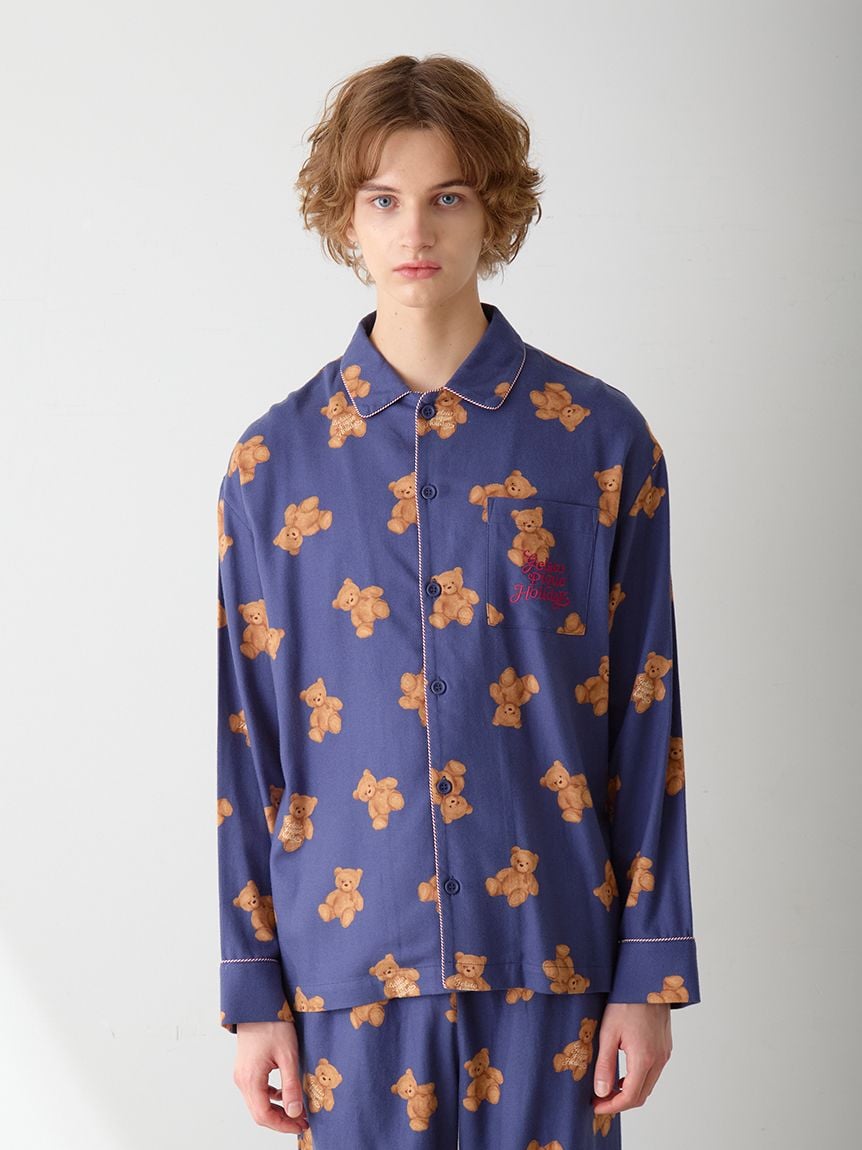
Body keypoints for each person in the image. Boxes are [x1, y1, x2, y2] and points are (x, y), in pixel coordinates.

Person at [215, 53, 701, 1148]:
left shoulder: (598, 440)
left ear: (495, 211)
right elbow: (247, 741)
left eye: (447, 197)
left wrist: (649, 972)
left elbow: (646, 718)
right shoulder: (272, 467)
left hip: (553, 966)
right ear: (345, 218)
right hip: (344, 980)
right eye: (382, 200)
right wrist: (253, 990)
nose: (414, 230)